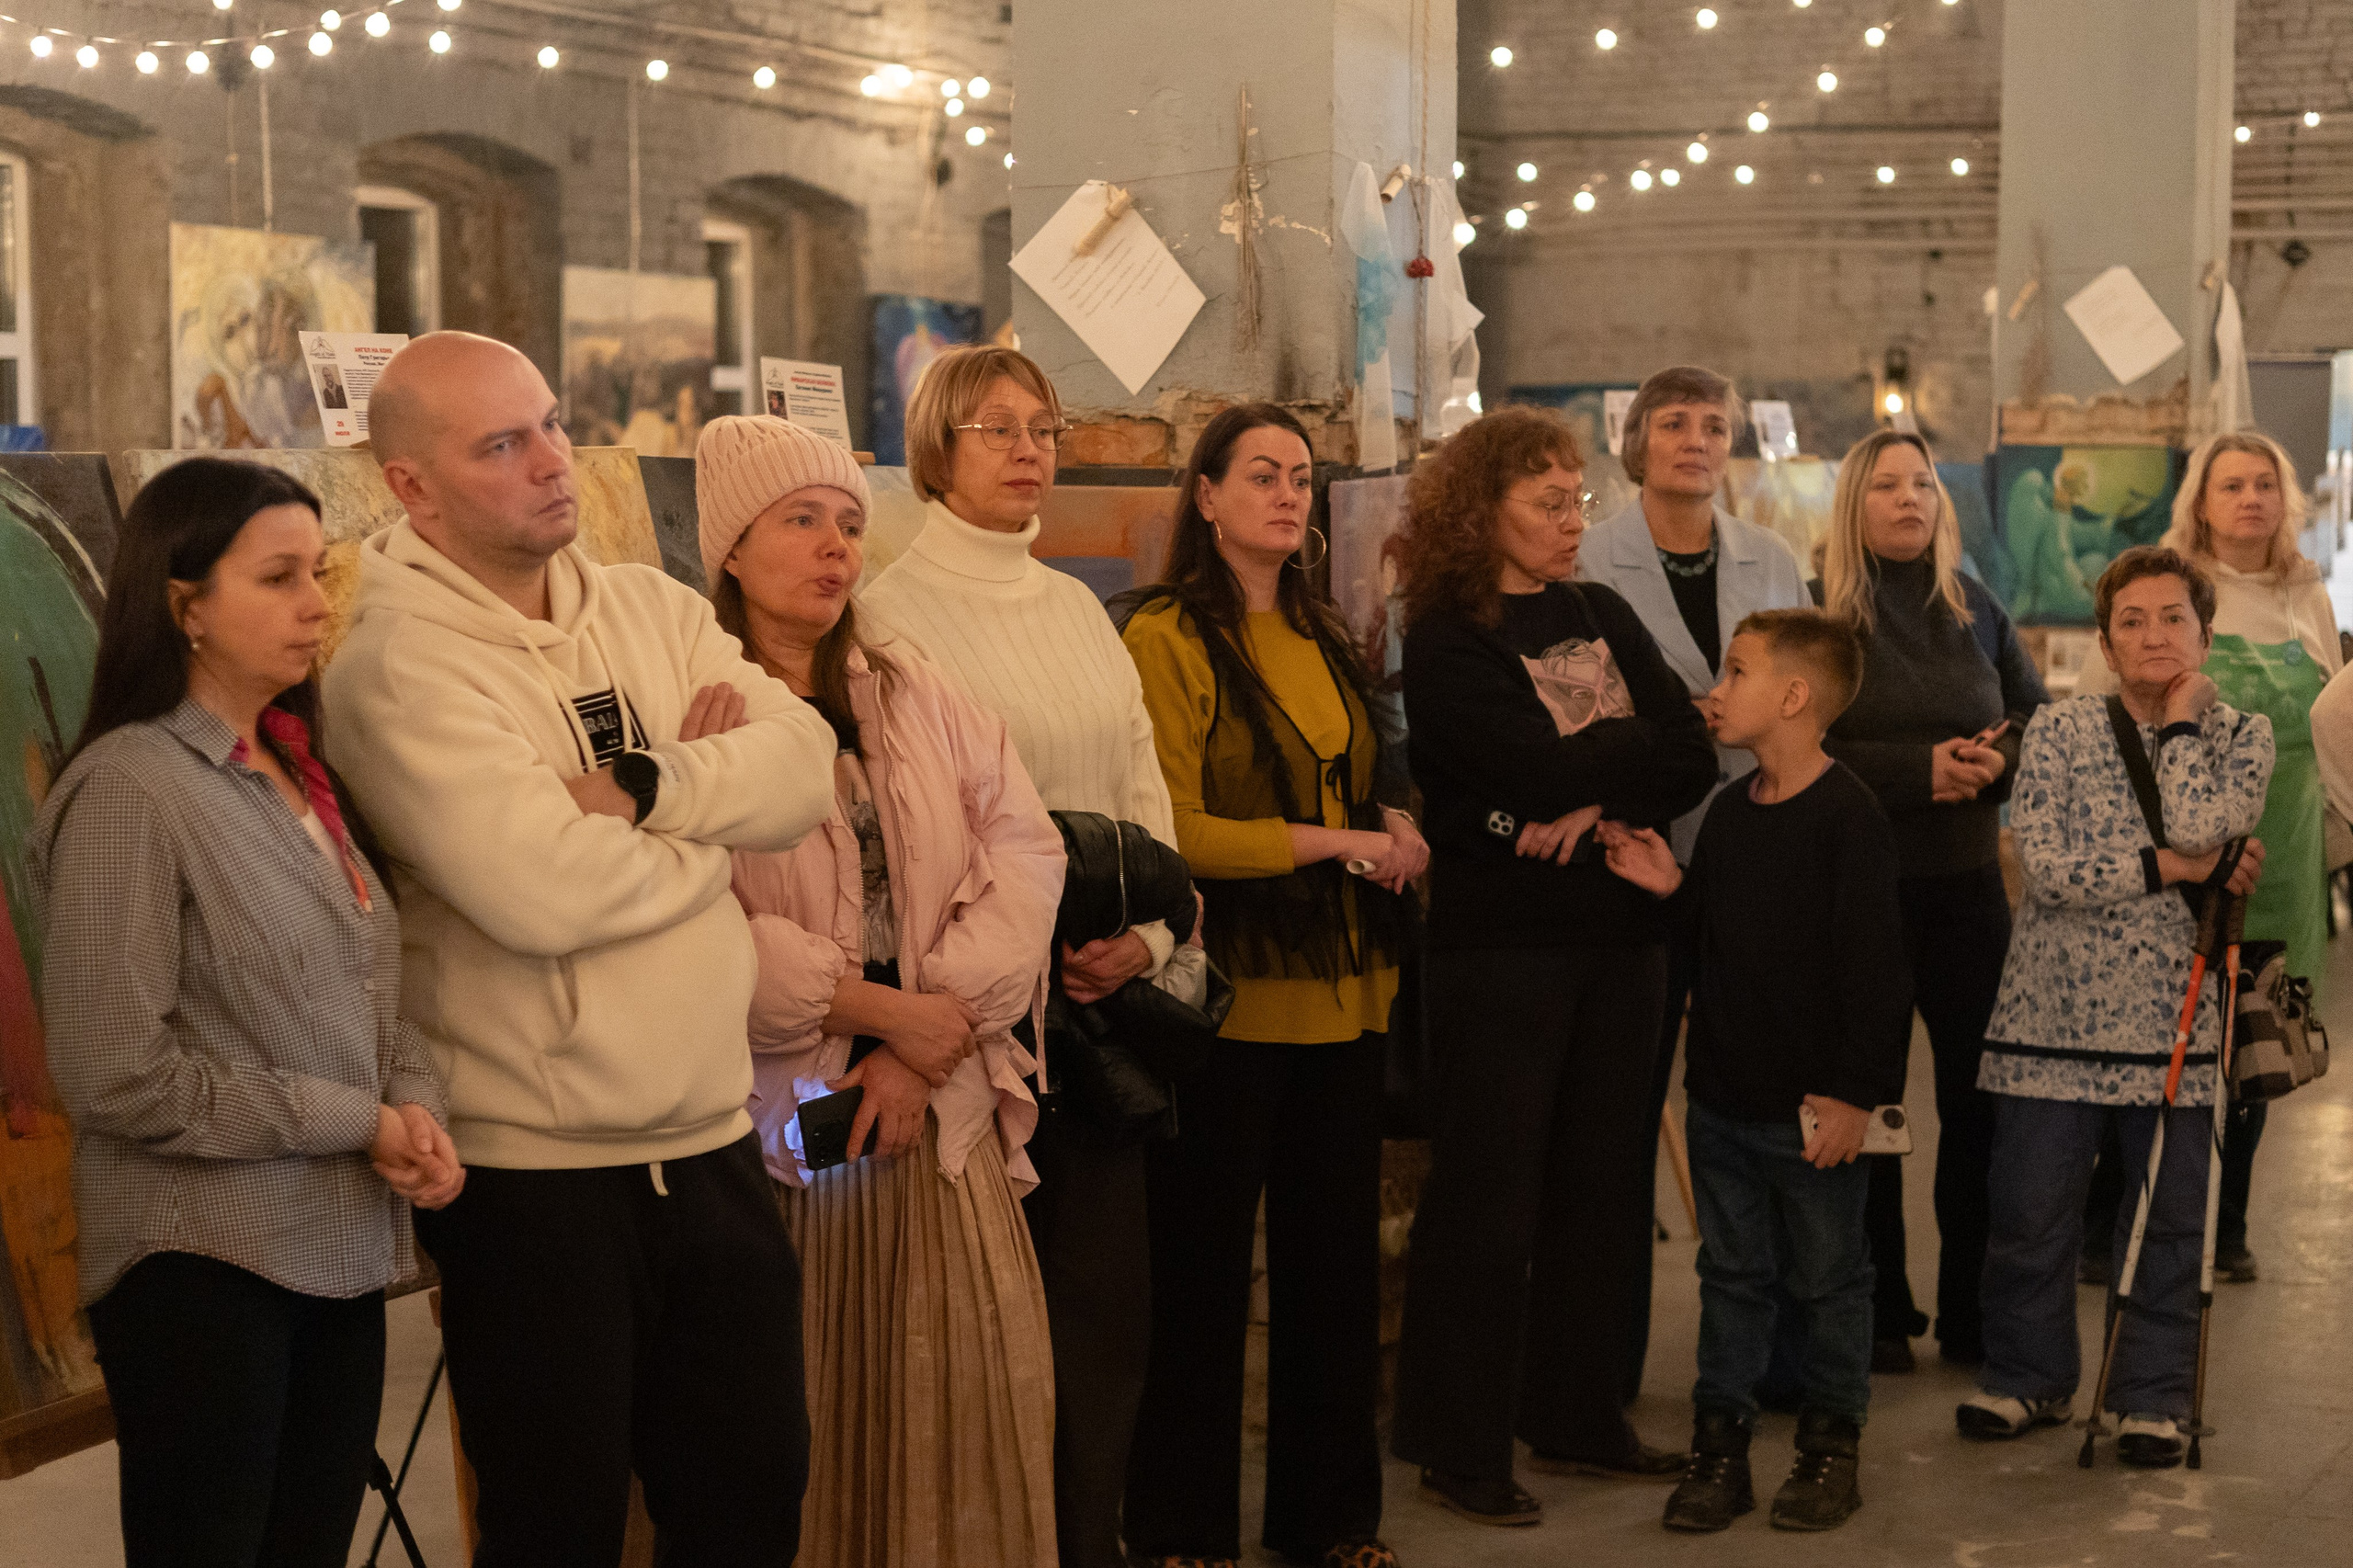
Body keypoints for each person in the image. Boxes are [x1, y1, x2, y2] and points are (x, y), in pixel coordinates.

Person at [320, 332, 840, 1565]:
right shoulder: (394, 663)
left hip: (715, 1141)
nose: (553, 461)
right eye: (502, 444)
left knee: (752, 1499)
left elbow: (803, 768)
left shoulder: (651, 607)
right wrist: (715, 835)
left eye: (551, 424)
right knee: (558, 1527)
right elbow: (540, 889)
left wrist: (644, 784)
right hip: (534, 1181)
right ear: (412, 486)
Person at [28, 458, 463, 1565]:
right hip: (203, 1264)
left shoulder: (293, 763)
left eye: (315, 572)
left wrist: (412, 1106)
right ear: (185, 605)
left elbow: (371, 981)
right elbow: (115, 1069)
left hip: (340, 1248)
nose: (317, 603)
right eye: (277, 577)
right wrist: (351, 1118)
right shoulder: (133, 786)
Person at [697, 415, 1067, 1566]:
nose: (833, 547)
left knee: (967, 1388)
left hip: (934, 1106)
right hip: (783, 1126)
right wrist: (869, 1011)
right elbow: (690, 917)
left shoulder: (913, 690)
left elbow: (1026, 852)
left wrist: (921, 1040)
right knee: (797, 1401)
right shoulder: (699, 704)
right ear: (731, 549)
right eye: (799, 520)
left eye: (849, 523)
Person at [859, 343, 1179, 1568]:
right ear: (939, 447)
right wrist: (1010, 959)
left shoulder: (1073, 607)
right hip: (974, 1017)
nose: (1028, 449)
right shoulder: (892, 612)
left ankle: (1085, 1541)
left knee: (1106, 1313)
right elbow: (916, 836)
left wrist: (1149, 932)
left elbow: (1144, 788)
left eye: (1042, 427)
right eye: (995, 427)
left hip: (1101, 1005)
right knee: (986, 1320)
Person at [1389, 405, 1717, 1526]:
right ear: (1481, 514)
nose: (1571, 522)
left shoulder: (1596, 608)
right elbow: (1519, 765)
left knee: (1600, 1184)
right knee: (1491, 1195)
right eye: (1546, 504)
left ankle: (1577, 1411)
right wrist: (1574, 782)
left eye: (1576, 500)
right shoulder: (1445, 632)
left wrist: (1588, 795)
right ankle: (1454, 1436)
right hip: (1504, 952)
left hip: (1620, 941)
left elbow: (1687, 746)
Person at [1116, 403, 1425, 1568]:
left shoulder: (1323, 628)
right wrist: (1329, 844)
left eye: (1300, 477)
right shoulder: (1166, 637)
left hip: (1345, 998)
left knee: (1331, 1276)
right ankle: (1182, 1527)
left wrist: (1389, 823)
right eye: (1261, 475)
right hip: (1225, 1005)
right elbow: (1176, 827)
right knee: (1197, 1277)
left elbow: (1357, 772)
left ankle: (1330, 1520)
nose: (1288, 496)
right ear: (1206, 496)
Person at [1960, 547, 2271, 1468]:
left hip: (2174, 1015)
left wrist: (2179, 727)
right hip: (2046, 1020)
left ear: (2204, 633)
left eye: (2173, 617)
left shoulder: (2241, 735)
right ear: (2103, 638)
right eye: (2130, 620)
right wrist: (2177, 870)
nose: (2153, 636)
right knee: (2028, 1207)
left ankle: (2153, 1395)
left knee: (2169, 1219)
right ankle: (2028, 1374)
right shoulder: (2054, 731)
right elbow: (2048, 869)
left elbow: (2199, 822)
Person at [1600, 608, 1910, 1535]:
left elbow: (1876, 971)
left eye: (1734, 673)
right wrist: (1671, 890)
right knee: (1730, 1277)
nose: (1714, 691)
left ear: (1792, 695)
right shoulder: (1730, 815)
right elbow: (1716, 937)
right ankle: (1720, 1446)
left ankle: (1828, 1447)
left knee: (1827, 1281)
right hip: (1723, 1101)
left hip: (1814, 1109)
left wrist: (1858, 1092)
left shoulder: (1849, 817)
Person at [1575, 365, 1810, 1398]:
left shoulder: (1771, 559)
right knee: (1624, 1113)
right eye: (1672, 422)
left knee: (1752, 1097)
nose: (1695, 440)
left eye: (1713, 425)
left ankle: (1763, 1356)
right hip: (1629, 858)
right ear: (1634, 443)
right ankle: (1603, 1368)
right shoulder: (1588, 561)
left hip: (1753, 857)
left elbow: (1807, 706)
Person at [2079, 433, 2338, 1285]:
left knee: (2258, 1041)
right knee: (2162, 1034)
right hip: (2186, 843)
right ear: (2202, 499)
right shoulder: (2174, 589)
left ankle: (2226, 1226)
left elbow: (2336, 720)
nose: (2251, 499)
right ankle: (2112, 1217)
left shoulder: (2307, 592)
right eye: (2232, 485)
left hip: (2288, 852)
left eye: (2267, 483)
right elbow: (2107, 705)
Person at [1813, 429, 2048, 1371]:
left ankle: (1971, 1308)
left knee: (1978, 1104)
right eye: (1886, 486)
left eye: (1922, 484)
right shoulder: (1823, 618)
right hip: (1860, 897)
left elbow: (2039, 719)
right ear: (1852, 506)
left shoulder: (1974, 606)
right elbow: (1800, 742)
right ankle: (1873, 1311)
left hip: (1965, 893)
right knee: (1863, 1104)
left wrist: (1995, 761)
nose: (1910, 499)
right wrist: (1919, 769)